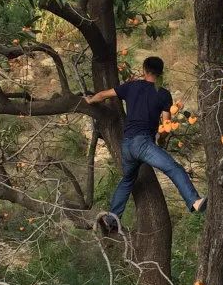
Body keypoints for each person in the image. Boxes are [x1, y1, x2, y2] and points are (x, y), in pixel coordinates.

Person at [87, 56, 206, 231]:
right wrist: (161, 140)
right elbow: (166, 127)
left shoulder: (131, 86)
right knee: (173, 168)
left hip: (126, 145)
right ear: (161, 73)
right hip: (143, 144)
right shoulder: (163, 94)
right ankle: (194, 201)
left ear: (144, 69)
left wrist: (89, 101)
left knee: (128, 179)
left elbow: (103, 95)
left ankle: (111, 220)